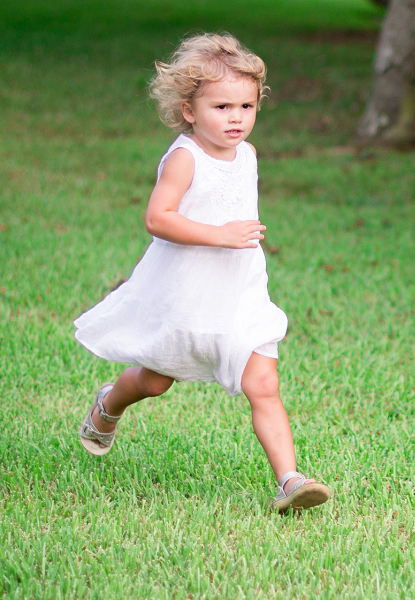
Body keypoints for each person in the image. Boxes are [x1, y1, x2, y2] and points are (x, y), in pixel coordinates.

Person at [73, 33, 329, 512]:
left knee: (264, 384)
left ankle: (291, 481)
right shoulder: (186, 158)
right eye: (222, 107)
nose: (236, 118)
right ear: (190, 110)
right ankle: (109, 403)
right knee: (154, 382)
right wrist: (222, 234)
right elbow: (158, 218)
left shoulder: (248, 155)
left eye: (246, 107)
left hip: (240, 289)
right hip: (187, 289)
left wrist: (236, 241)